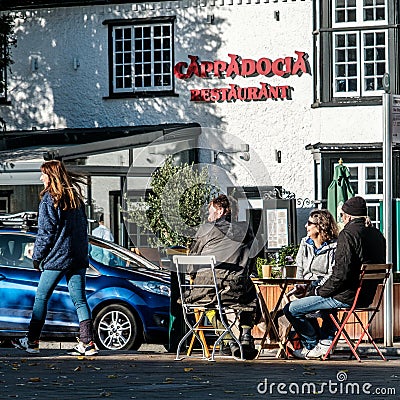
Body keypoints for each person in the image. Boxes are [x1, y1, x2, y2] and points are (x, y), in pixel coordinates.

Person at [12, 160, 98, 356]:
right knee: (80, 300)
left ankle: (32, 341)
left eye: (43, 174)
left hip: (58, 258)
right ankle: (88, 343)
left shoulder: (49, 200)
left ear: (51, 176)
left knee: (41, 297)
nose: (40, 177)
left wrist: (37, 257)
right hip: (77, 258)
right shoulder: (76, 200)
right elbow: (83, 229)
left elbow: (45, 233)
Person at [283, 196, 386, 359]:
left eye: (342, 216)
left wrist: (318, 290)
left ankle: (313, 345)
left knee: (292, 309)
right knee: (320, 306)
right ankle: (325, 341)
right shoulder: (377, 235)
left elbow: (340, 275)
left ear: (348, 216)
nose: (341, 219)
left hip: (346, 296)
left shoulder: (348, 234)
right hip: (367, 296)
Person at [187, 194, 258, 359]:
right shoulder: (245, 230)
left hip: (205, 290)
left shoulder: (205, 229)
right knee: (251, 296)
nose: (208, 215)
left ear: (220, 211)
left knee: (209, 306)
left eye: (210, 210)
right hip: (235, 289)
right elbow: (252, 258)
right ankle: (246, 335)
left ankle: (229, 340)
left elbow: (192, 261)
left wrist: (193, 276)